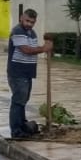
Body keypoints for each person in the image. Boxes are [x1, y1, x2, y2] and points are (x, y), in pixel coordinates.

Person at [7, 8, 52, 139]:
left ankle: (22, 126)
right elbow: (26, 50)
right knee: (18, 101)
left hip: (27, 72)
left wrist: (44, 48)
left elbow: (33, 49)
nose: (29, 24)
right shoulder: (18, 31)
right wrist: (44, 48)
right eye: (27, 21)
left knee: (23, 100)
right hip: (17, 72)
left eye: (32, 22)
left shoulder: (31, 33)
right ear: (21, 17)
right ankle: (16, 131)